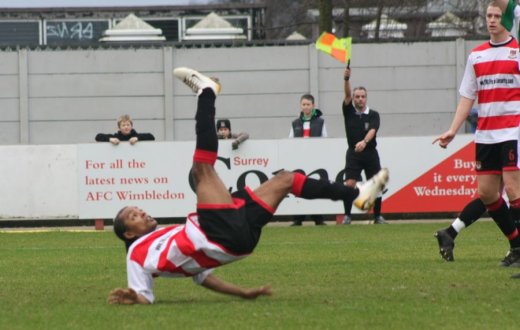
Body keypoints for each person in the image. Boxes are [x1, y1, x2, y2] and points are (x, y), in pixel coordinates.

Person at [107, 67, 389, 304]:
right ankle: (206, 92)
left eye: (137, 209)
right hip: (217, 231)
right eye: (133, 216)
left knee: (286, 179)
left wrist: (243, 293)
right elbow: (143, 295)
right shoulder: (136, 253)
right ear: (129, 233)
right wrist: (135, 298)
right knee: (202, 169)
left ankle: (358, 195)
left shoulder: (166, 242)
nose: (141, 213)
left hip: (239, 240)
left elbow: (203, 277)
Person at [433, 0, 520, 267]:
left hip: (512, 131)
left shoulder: (517, 51)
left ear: (505, 18)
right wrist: (452, 129)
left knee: (514, 189)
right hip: (485, 135)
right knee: (488, 194)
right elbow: (467, 97)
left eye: (496, 15)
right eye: (488, 15)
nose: (492, 20)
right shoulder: (477, 55)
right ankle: (516, 245)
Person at [341, 66, 387, 225]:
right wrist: (346, 79)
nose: (360, 99)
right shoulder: (348, 111)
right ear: (353, 98)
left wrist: (364, 142)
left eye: (363, 96)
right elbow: (346, 93)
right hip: (353, 153)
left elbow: (373, 130)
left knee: (376, 183)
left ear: (366, 98)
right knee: (350, 184)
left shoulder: (373, 114)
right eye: (357, 96)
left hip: (370, 153)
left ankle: (377, 217)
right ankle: (347, 216)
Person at [288, 94, 328, 226]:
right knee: (299, 188)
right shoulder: (295, 123)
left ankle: (318, 218)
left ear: (313, 106)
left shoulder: (320, 122)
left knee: (316, 187)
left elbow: (325, 140)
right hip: (299, 160)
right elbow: (290, 141)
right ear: (300, 106)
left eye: (308, 104)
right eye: (303, 104)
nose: (306, 107)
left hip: (315, 160)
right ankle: (298, 218)